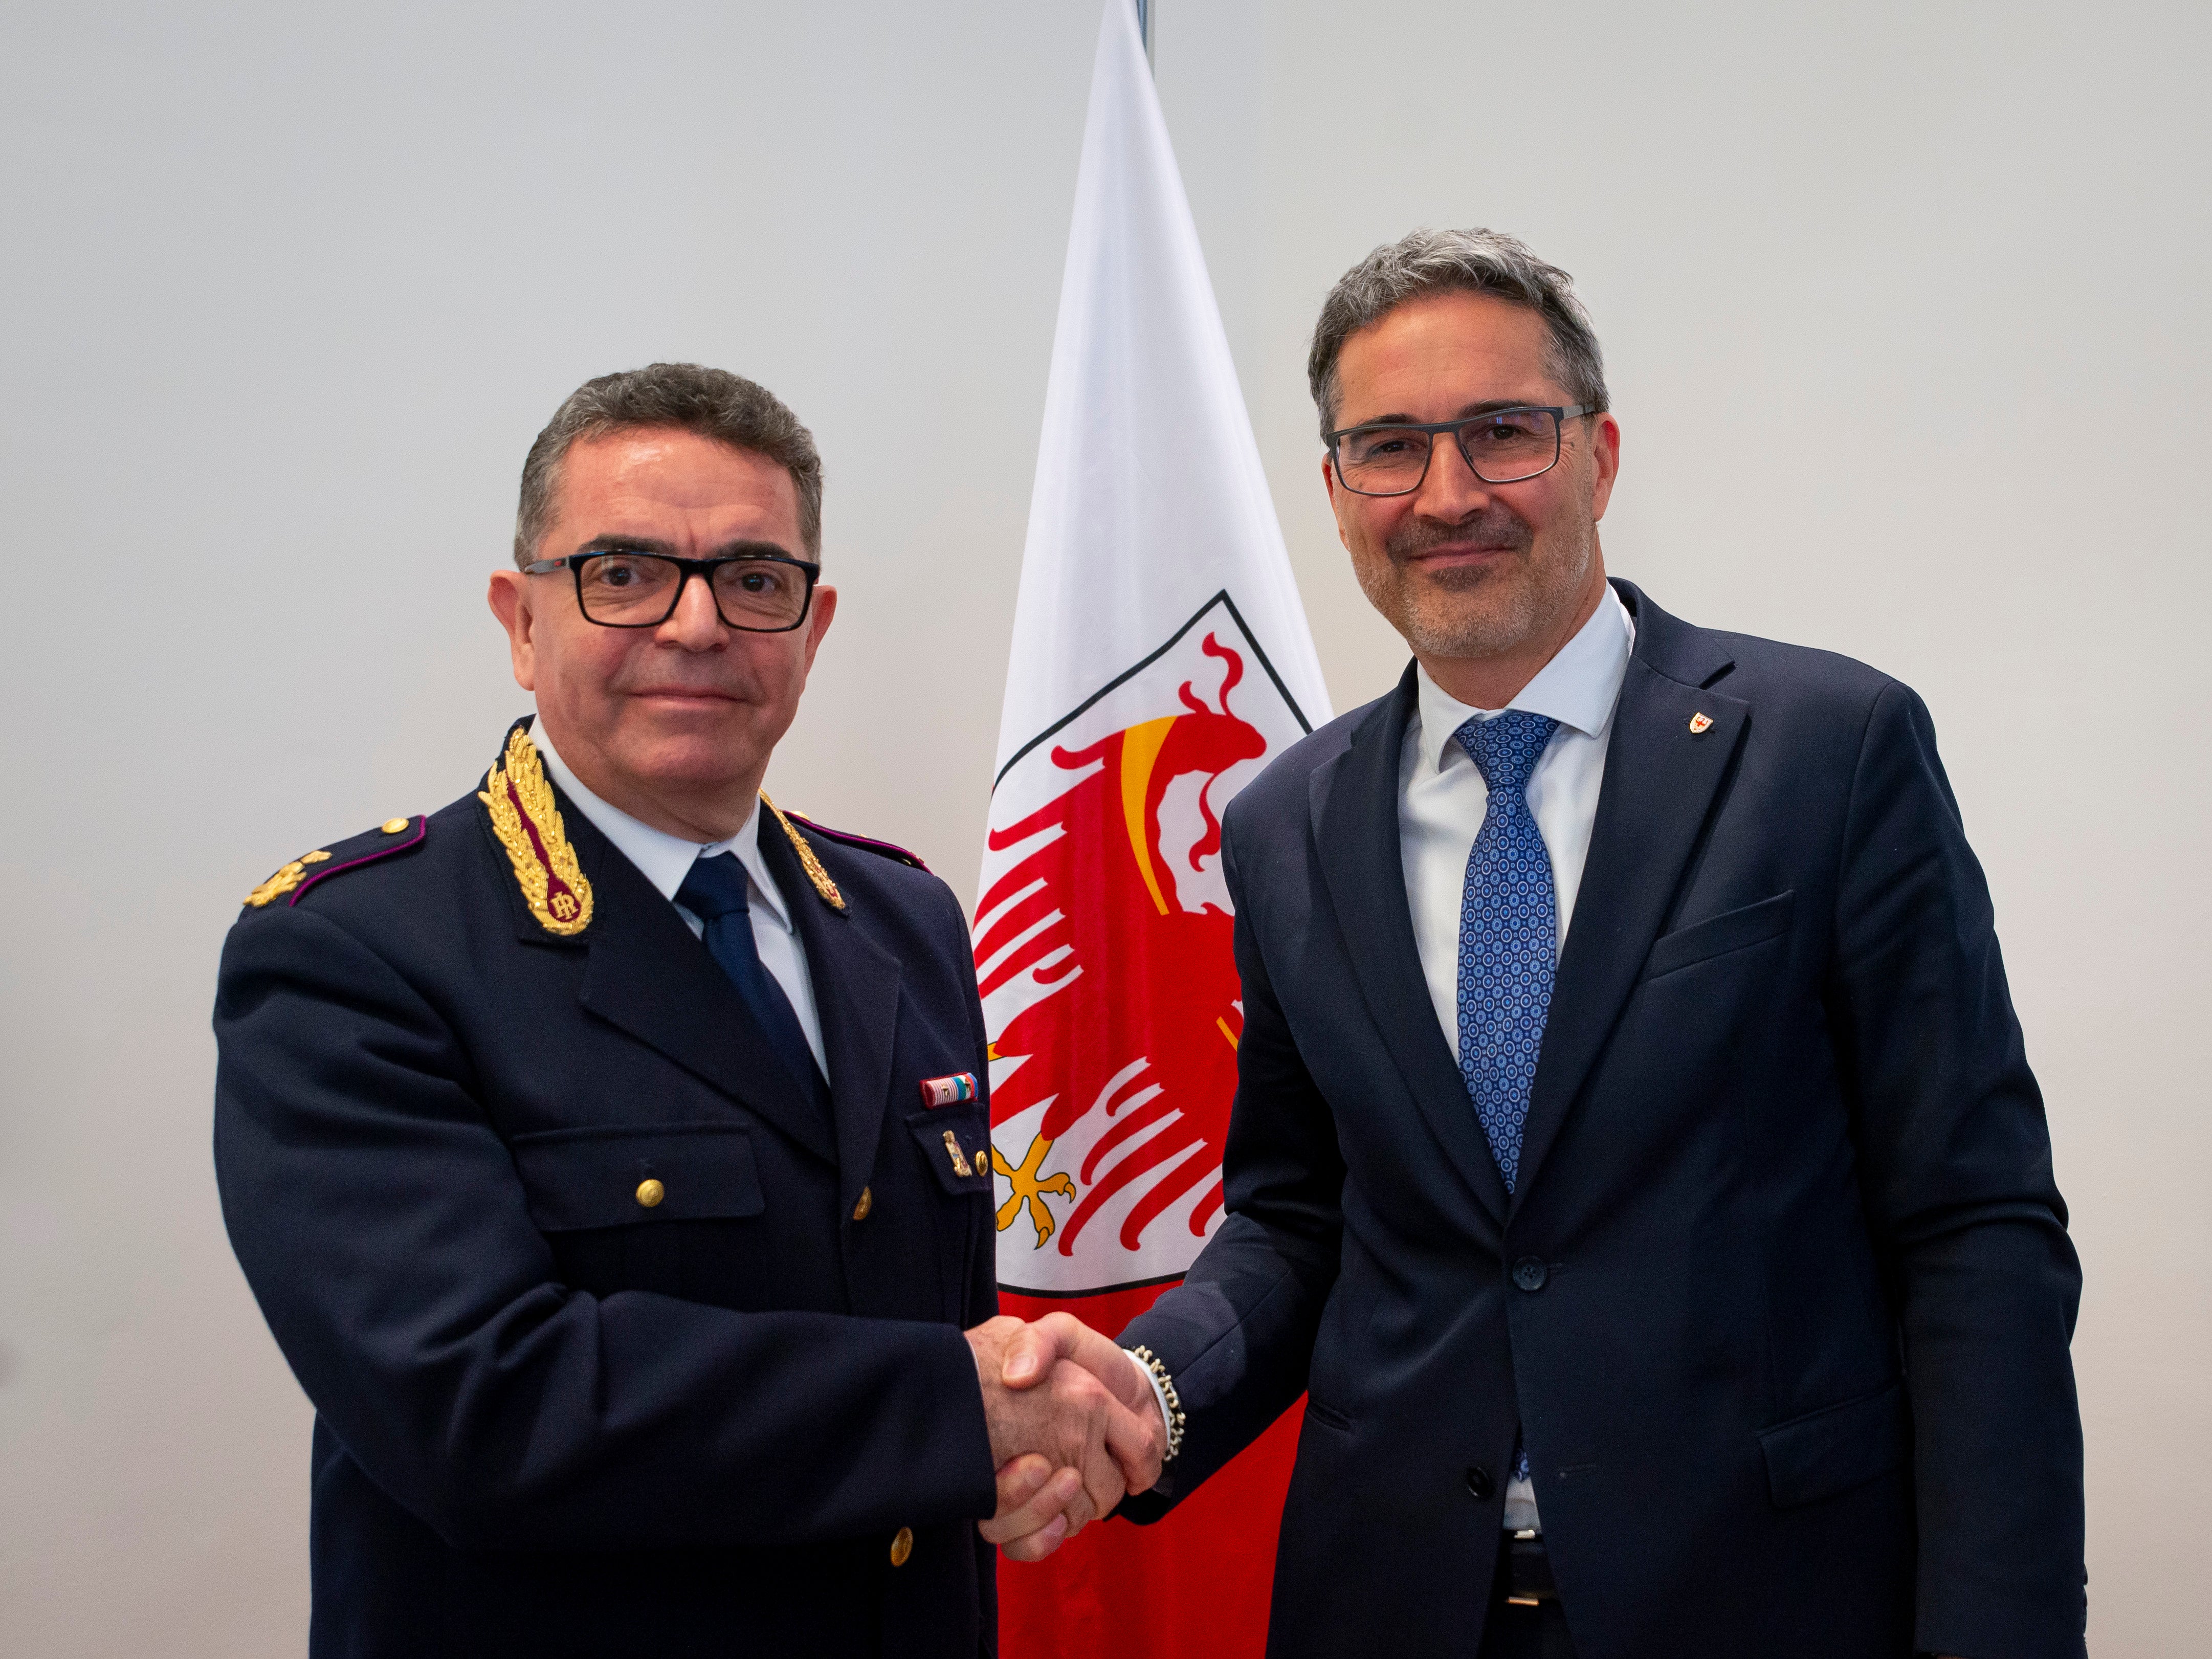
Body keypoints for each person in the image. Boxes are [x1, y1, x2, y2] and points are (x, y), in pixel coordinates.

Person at [995, 230, 2086, 1659]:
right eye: (1387, 446)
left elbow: (1972, 1227)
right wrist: (1155, 1389)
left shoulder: (1826, 751)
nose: (1445, 494)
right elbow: (1300, 1214)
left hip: (1767, 1600)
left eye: (1501, 433)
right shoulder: (1281, 823)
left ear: (1598, 454)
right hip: (1391, 1600)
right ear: (1334, 492)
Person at [212, 363, 1160, 1659]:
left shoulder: (902, 919)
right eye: (625, 572)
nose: (698, 624)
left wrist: (1012, 1438)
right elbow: (480, 1408)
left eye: (755, 579)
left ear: (812, 629)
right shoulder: (356, 950)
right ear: (520, 619)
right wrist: (960, 1408)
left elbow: (919, 1319)